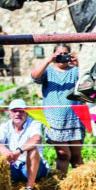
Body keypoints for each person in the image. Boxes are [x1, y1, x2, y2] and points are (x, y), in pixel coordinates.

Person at [31, 44, 85, 174]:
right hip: (53, 119)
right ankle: (61, 183)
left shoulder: (76, 71)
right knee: (63, 154)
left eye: (65, 54)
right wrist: (48, 60)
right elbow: (35, 76)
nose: (62, 57)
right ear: (54, 54)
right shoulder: (48, 70)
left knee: (76, 156)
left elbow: (89, 79)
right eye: (59, 54)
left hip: (74, 118)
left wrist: (79, 64)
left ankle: (80, 185)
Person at [0, 99, 49, 190]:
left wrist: (18, 152)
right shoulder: (5, 126)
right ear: (10, 113)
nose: (18, 114)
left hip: (34, 168)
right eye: (14, 111)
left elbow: (36, 138)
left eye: (21, 111)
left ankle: (29, 187)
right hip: (13, 167)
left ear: (27, 112)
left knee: (33, 150)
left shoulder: (34, 124)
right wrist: (3, 149)